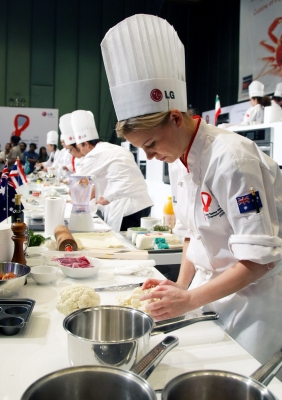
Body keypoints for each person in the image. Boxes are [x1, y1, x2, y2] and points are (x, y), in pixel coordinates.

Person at [101, 14, 282, 367]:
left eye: (151, 144)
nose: (149, 156)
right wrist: (183, 289)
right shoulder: (179, 160)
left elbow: (259, 259)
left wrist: (190, 298)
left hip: (252, 302)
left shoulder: (231, 158)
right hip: (207, 294)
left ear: (175, 117)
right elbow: (190, 236)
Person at [71, 109, 154, 231]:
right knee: (138, 243)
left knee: (125, 246)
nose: (80, 152)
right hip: (144, 204)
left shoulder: (94, 155)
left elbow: (78, 186)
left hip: (128, 209)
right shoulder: (114, 148)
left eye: (79, 147)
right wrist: (106, 197)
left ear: (86, 144)